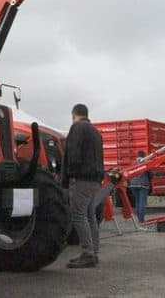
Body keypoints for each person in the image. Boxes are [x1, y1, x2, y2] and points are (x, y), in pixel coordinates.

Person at [62, 103, 104, 269]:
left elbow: (73, 153)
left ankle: (87, 253)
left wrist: (69, 176)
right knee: (90, 214)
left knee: (79, 215)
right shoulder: (95, 131)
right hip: (95, 179)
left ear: (73, 115)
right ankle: (93, 252)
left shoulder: (77, 128)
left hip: (82, 178)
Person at [128, 150, 150, 223]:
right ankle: (141, 219)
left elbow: (129, 172)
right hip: (143, 184)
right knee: (142, 202)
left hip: (133, 184)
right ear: (144, 156)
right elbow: (150, 173)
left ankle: (138, 217)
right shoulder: (146, 162)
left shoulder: (133, 163)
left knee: (137, 201)